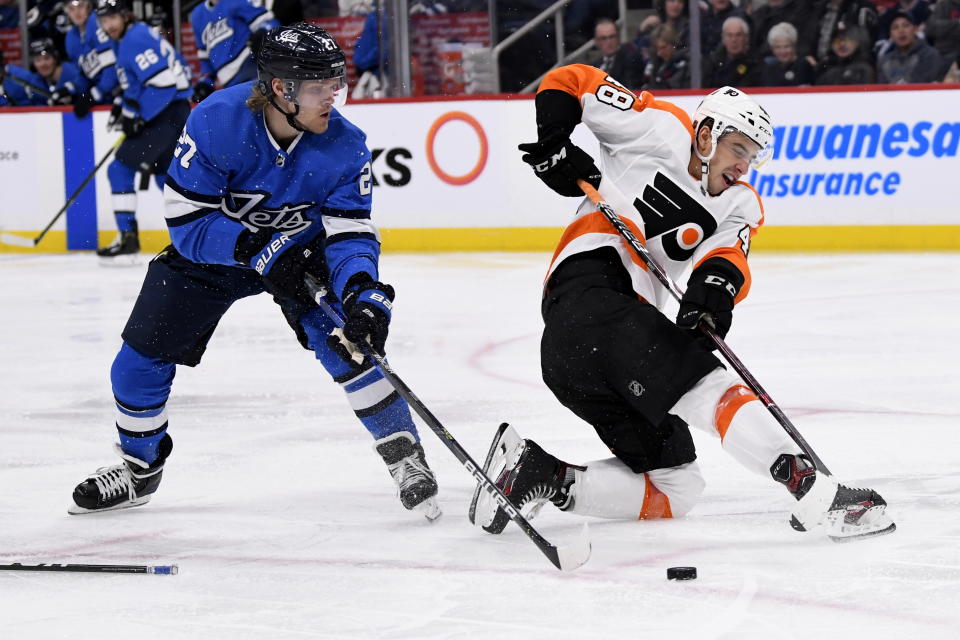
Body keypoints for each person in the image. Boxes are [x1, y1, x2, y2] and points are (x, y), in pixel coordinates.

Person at [471, 63, 894, 542]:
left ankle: (538, 474)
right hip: (589, 292)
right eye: (738, 149)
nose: (743, 166)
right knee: (704, 385)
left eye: (752, 157)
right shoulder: (661, 127)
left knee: (677, 485)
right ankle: (813, 491)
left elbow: (727, 259)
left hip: (586, 355)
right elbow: (572, 80)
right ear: (708, 134)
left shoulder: (740, 204)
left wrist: (711, 297)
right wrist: (554, 141)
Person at [66, 23, 441, 521]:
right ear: (280, 89)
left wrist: (360, 290)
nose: (333, 97)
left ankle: (407, 458)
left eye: (336, 84)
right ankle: (139, 468)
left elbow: (350, 233)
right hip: (216, 253)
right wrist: (251, 246)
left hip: (301, 259)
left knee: (351, 347)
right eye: (319, 87)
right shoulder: (215, 121)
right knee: (137, 363)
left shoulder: (347, 146)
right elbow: (185, 221)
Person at [94, 0, 191, 259]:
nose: (109, 25)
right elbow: (140, 85)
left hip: (165, 111)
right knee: (166, 177)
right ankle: (190, 234)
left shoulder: (134, 39)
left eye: (113, 18)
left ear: (125, 15)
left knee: (119, 168)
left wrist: (139, 116)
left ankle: (128, 237)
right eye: (104, 20)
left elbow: (164, 84)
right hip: (171, 111)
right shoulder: (131, 36)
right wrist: (124, 106)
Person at [189, 0, 279, 103]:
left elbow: (269, 22)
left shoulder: (236, 1)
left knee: (264, 111)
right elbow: (205, 56)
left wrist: (263, 33)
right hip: (230, 85)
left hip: (252, 70)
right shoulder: (197, 16)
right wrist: (206, 82)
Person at [57, 0, 119, 117]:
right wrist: (71, 88)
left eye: (80, 6)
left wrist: (95, 95)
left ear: (89, 6)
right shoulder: (71, 38)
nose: (76, 12)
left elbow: (112, 70)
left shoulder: (97, 22)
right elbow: (86, 74)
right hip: (104, 96)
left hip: (120, 93)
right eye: (71, 8)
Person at [877, 10, 946, 82]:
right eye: (895, 27)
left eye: (906, 25)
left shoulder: (931, 55)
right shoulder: (884, 61)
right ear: (891, 35)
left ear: (915, 29)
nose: (901, 31)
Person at [581, 18, 644, 91]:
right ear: (596, 41)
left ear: (618, 37)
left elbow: (630, 88)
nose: (609, 42)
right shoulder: (594, 65)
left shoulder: (630, 59)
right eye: (603, 38)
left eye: (612, 37)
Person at [704, 16, 763, 88]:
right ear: (723, 38)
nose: (734, 40)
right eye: (729, 35)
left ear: (746, 38)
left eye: (738, 35)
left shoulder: (756, 63)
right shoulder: (713, 62)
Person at [642, 23, 689, 90]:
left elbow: (674, 87)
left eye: (663, 47)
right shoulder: (653, 63)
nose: (659, 53)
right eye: (656, 48)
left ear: (673, 45)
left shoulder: (685, 63)